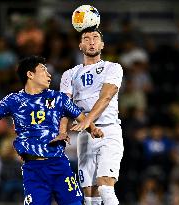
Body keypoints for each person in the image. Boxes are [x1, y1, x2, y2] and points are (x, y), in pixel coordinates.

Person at [0, 56, 103, 205]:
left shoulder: (59, 98)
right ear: (30, 74)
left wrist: (93, 129)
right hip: (33, 169)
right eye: (44, 70)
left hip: (59, 165)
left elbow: (83, 118)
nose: (49, 75)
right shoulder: (14, 100)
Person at [60, 27, 124, 205]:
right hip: (85, 136)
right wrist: (62, 130)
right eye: (86, 39)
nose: (91, 41)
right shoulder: (69, 74)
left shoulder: (113, 68)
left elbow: (106, 97)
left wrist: (87, 121)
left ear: (102, 44)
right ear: (80, 45)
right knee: (89, 198)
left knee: (106, 188)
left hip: (108, 132)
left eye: (95, 38)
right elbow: (65, 105)